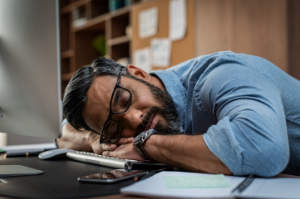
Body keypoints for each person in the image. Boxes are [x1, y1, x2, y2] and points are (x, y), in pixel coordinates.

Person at [58, 51, 300, 177]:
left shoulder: (219, 75)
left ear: (138, 73)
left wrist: (146, 144)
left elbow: (265, 150)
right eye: (114, 128)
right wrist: (96, 140)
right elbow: (66, 129)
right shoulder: (122, 119)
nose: (133, 119)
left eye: (124, 100)